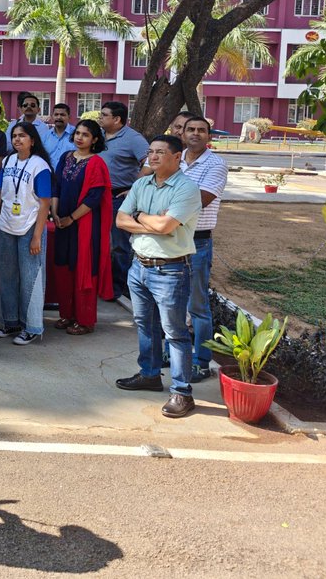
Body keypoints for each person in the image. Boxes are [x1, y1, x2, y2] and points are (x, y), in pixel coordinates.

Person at [114, 134, 202, 418]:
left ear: (177, 157)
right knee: (145, 325)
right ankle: (149, 374)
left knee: (174, 332)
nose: (152, 157)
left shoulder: (187, 189)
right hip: (139, 266)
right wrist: (150, 221)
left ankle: (182, 392)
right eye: (151, 152)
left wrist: (140, 216)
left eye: (160, 152)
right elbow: (121, 219)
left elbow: (165, 226)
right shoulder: (141, 183)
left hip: (171, 269)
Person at [0, 121, 52, 345]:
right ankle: (10, 321)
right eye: (14, 136)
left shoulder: (40, 165)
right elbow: (0, 196)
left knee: (30, 279)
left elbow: (44, 204)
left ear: (32, 140)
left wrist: (37, 236)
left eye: (22, 136)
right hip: (6, 225)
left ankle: (31, 326)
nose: (17, 139)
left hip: (29, 228)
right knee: (7, 276)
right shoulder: (7, 160)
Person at [50, 119, 114, 334]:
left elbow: (95, 197)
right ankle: (67, 315)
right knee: (63, 266)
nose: (79, 137)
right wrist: (55, 213)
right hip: (62, 222)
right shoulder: (66, 157)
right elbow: (56, 186)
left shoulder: (96, 163)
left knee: (82, 268)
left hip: (84, 225)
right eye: (77, 133)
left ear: (95, 139)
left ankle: (85, 320)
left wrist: (71, 218)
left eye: (85, 134)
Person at [179, 116, 228, 382]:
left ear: (209, 136)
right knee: (172, 303)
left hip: (197, 240)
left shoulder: (216, 165)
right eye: (191, 129)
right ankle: (170, 352)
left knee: (197, 305)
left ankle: (200, 361)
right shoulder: (174, 159)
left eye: (201, 130)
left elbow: (201, 200)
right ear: (182, 133)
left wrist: (163, 206)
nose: (195, 134)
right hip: (170, 238)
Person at [99, 101, 151, 299]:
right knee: (99, 242)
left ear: (117, 119)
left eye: (104, 115)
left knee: (119, 245)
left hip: (118, 198)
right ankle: (100, 283)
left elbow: (150, 163)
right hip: (96, 197)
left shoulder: (133, 138)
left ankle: (118, 288)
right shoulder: (99, 135)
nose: (100, 118)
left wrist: (133, 188)